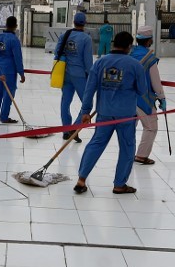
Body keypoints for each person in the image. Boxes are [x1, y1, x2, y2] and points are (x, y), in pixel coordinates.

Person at [73, 31, 145, 195]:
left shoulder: (100, 63)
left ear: (113, 43)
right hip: (126, 115)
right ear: (129, 46)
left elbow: (89, 89)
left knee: (96, 144)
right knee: (127, 147)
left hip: (104, 113)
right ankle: (119, 184)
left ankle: (81, 179)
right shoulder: (135, 65)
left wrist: (85, 111)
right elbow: (142, 90)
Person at [130, 25, 166, 165]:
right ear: (149, 40)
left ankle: (127, 153)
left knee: (130, 127)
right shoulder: (149, 58)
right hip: (144, 99)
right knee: (151, 127)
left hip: (128, 97)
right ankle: (141, 155)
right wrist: (162, 98)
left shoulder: (130, 54)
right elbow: (155, 82)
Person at [57, 12, 93, 142]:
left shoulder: (65, 35)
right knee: (87, 104)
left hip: (65, 73)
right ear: (85, 23)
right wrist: (91, 76)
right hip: (79, 75)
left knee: (65, 102)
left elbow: (57, 53)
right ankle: (75, 128)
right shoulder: (86, 39)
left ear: (73, 22)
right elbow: (88, 61)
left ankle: (66, 130)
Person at [0, 16, 25, 123]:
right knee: (9, 93)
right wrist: (21, 73)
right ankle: (4, 117)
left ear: (6, 24)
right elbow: (17, 58)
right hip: (9, 70)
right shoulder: (14, 40)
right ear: (15, 26)